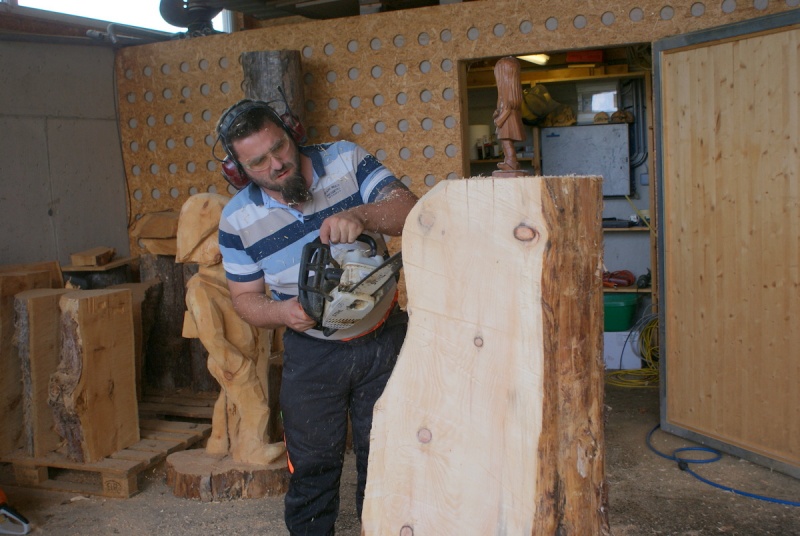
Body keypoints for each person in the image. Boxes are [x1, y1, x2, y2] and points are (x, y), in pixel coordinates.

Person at [215, 99, 418, 535]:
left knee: (389, 457)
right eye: (258, 162)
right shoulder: (236, 220)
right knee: (312, 464)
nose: (276, 164)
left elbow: (407, 208)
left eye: (279, 147)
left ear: (292, 132)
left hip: (383, 338)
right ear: (238, 170)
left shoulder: (345, 159)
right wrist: (281, 312)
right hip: (312, 353)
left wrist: (361, 214)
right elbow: (245, 299)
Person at [176, 192, 285, 466]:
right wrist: (233, 363)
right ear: (200, 244)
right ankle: (251, 450)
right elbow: (211, 336)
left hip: (249, 353)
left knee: (231, 401)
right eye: (221, 235)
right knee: (254, 405)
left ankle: (219, 442)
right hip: (232, 360)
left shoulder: (235, 276)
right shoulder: (200, 289)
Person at [492, 56, 526, 171]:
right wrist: (497, 112)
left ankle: (511, 162)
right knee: (506, 142)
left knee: (506, 142)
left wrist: (498, 121)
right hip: (510, 121)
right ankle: (509, 161)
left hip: (507, 123)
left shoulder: (507, 97)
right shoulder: (512, 96)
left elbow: (506, 110)